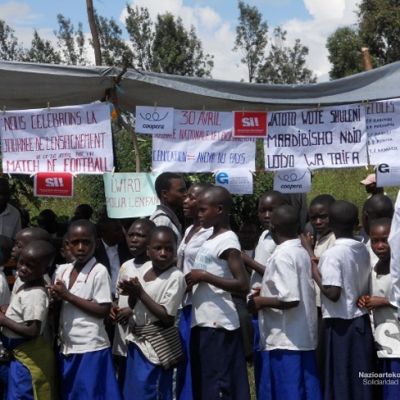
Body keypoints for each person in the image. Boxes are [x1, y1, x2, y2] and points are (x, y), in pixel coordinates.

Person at [248, 205, 321, 400]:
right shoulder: (300, 251)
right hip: (301, 334)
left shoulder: (282, 255)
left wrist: (261, 300)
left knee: (289, 391)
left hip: (286, 338)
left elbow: (290, 298)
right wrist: (265, 291)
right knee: (306, 388)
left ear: (272, 228)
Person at [186, 186, 250, 400]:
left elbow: (243, 284)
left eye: (203, 210)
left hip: (218, 323)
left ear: (220, 209)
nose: (199, 214)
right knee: (206, 380)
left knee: (218, 383)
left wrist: (204, 276)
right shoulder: (211, 238)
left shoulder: (228, 241)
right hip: (204, 320)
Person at [49, 219, 121, 400]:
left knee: (90, 393)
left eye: (86, 242)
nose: (81, 248)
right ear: (68, 244)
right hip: (68, 345)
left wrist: (68, 296)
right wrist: (56, 298)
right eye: (75, 243)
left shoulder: (99, 271)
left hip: (90, 346)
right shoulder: (63, 270)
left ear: (96, 244)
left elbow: (103, 309)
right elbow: (60, 303)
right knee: (72, 393)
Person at [313, 200, 375, 400]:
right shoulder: (362, 248)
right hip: (361, 319)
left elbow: (333, 293)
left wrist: (314, 271)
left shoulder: (332, 254)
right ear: (356, 222)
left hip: (341, 324)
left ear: (330, 223)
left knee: (341, 378)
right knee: (360, 377)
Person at [120, 226, 186, 400]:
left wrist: (140, 292)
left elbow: (166, 317)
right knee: (134, 392)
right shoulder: (146, 268)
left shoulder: (175, 277)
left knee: (152, 390)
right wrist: (131, 293)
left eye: (169, 249)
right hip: (136, 341)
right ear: (148, 251)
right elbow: (134, 303)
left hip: (156, 345)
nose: (163, 253)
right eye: (158, 248)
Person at [241, 190, 287, 399]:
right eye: (263, 210)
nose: (267, 215)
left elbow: (276, 272)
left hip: (272, 306)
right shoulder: (264, 236)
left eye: (272, 210)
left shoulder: (281, 240)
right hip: (258, 305)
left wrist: (247, 260)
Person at [1, 240, 57, 400]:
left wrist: (4, 321)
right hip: (18, 356)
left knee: (24, 394)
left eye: (30, 266)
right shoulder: (27, 285)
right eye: (21, 262)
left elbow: (33, 330)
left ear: (45, 269)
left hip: (27, 358)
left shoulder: (35, 294)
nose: (22, 269)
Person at [176, 182, 213, 400]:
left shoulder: (210, 233)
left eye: (191, 197)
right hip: (185, 302)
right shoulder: (190, 229)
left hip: (201, 303)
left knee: (195, 356)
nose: (185, 201)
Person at [358, 218, 400, 400]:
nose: (380, 246)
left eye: (385, 240)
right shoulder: (374, 267)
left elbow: (387, 299)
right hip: (382, 340)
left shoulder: (397, 268)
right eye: (375, 241)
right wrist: (365, 299)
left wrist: (384, 301)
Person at [111, 218, 155, 387]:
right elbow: (118, 296)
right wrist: (113, 308)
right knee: (123, 379)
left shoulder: (155, 268)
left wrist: (131, 311)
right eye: (131, 235)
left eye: (140, 235)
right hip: (122, 336)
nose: (134, 239)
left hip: (144, 337)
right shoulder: (126, 266)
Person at [95, 218, 131, 299]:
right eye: (117, 230)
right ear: (103, 232)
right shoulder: (95, 250)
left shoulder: (126, 248)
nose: (122, 232)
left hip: (124, 297)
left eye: (121, 228)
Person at [150, 172, 187, 245]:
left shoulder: (169, 218)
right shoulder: (162, 221)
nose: (185, 194)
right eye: (181, 191)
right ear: (165, 194)